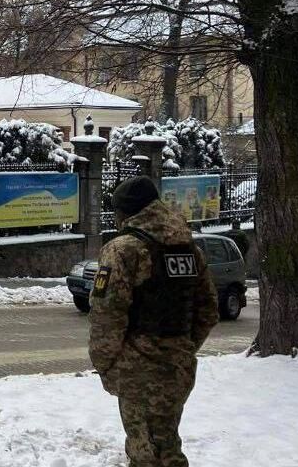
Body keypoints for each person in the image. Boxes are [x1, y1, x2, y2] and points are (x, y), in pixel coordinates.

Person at [89, 176, 218, 467]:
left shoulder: (123, 249)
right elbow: (208, 309)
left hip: (139, 369)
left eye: (117, 211)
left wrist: (107, 365)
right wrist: (180, 348)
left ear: (126, 212)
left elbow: (106, 314)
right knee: (166, 444)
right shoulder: (188, 248)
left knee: (146, 452)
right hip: (179, 367)